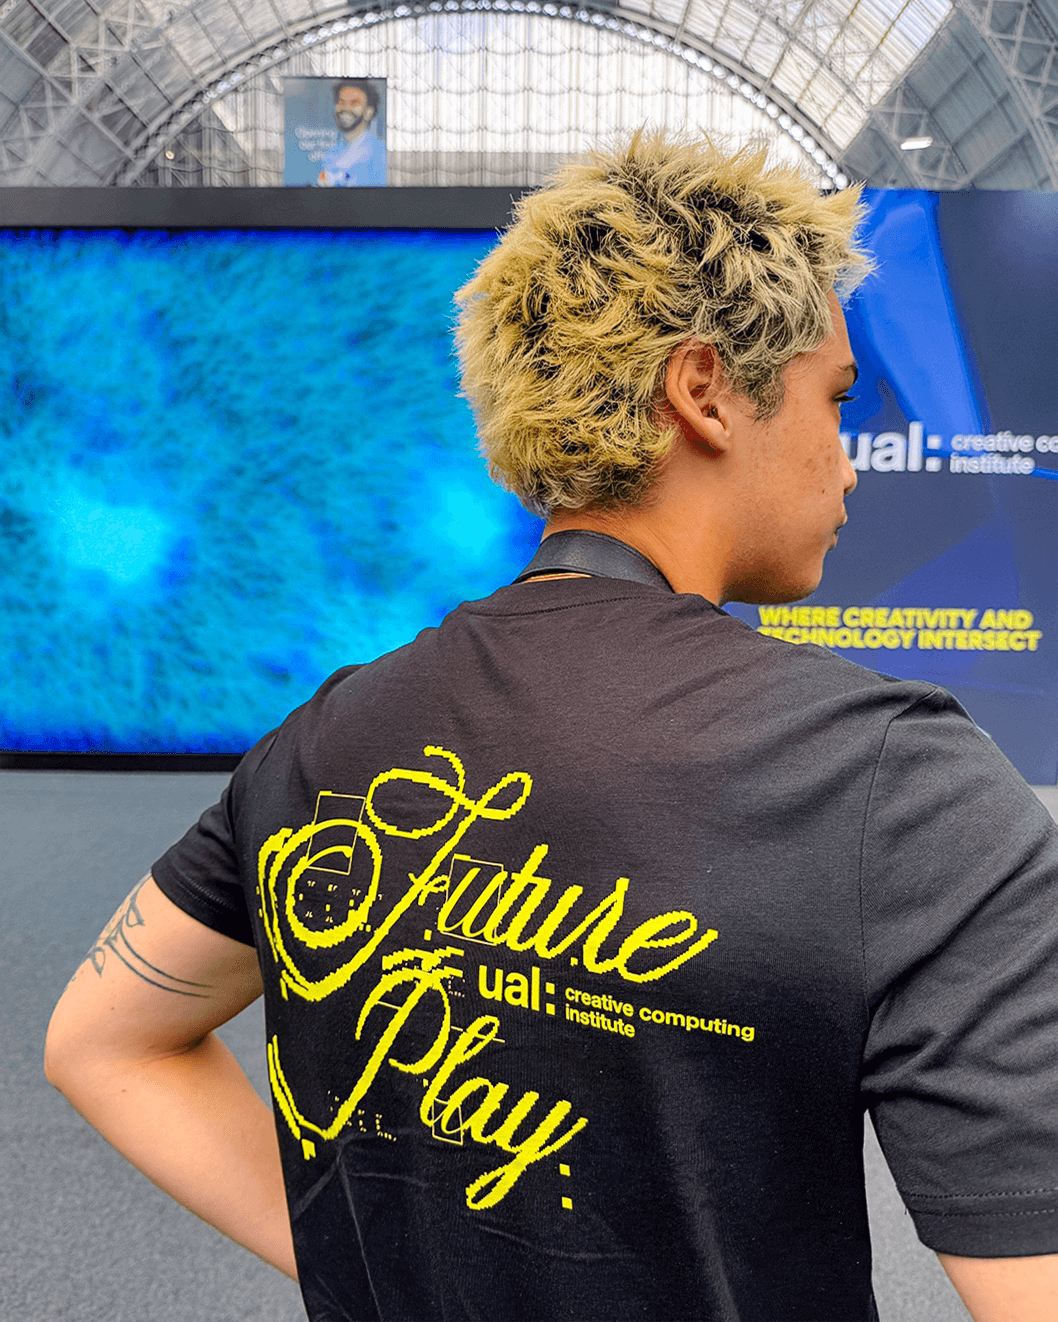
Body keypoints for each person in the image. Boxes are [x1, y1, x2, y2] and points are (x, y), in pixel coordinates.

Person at [45, 133, 1058, 1321]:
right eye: (834, 401)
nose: (848, 465)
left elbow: (100, 1039)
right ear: (703, 390)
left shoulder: (321, 740)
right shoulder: (898, 784)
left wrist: (368, 1271)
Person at [317, 80, 386, 187]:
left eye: (354, 103)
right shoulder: (331, 154)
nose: (346, 108)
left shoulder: (379, 155)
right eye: (342, 102)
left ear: (369, 112)